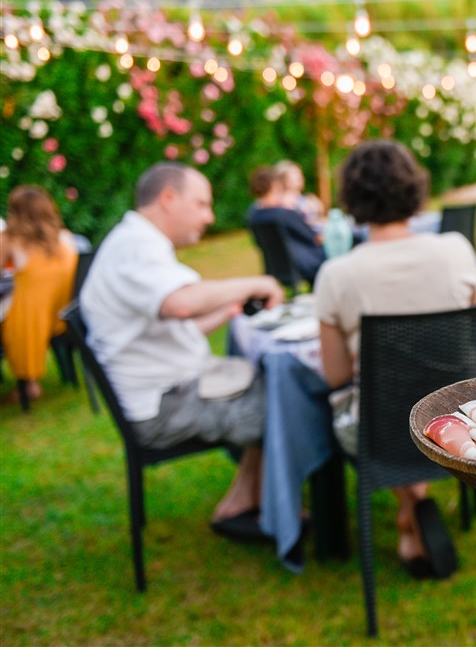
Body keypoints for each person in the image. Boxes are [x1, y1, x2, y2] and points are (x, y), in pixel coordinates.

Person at [80, 163, 285, 536]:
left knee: (274, 384)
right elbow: (180, 303)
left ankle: (248, 496)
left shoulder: (136, 242)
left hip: (168, 391)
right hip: (163, 407)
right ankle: (277, 512)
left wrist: (227, 310)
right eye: (202, 204)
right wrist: (258, 282)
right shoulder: (136, 248)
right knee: (289, 404)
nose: (209, 217)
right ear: (168, 199)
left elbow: (171, 326)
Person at [314, 140, 476, 578]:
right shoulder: (456, 249)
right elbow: (475, 335)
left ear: (351, 198)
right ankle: (415, 505)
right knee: (418, 399)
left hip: (383, 432)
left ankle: (410, 508)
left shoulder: (337, 274)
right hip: (463, 416)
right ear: (413, 188)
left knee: (354, 409)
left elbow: (335, 375)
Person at [0, 185, 78, 404]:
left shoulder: (10, 239)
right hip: (63, 314)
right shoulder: (64, 238)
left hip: (27, 320)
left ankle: (28, 385)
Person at [247, 165, 326, 284]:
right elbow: (315, 238)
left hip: (275, 267)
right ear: (274, 186)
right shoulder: (284, 214)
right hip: (304, 264)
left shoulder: (253, 215)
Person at [273, 160, 325, 229]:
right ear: (284, 179)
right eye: (295, 174)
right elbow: (296, 225)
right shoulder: (284, 202)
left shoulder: (305, 199)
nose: (300, 177)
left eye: (300, 174)